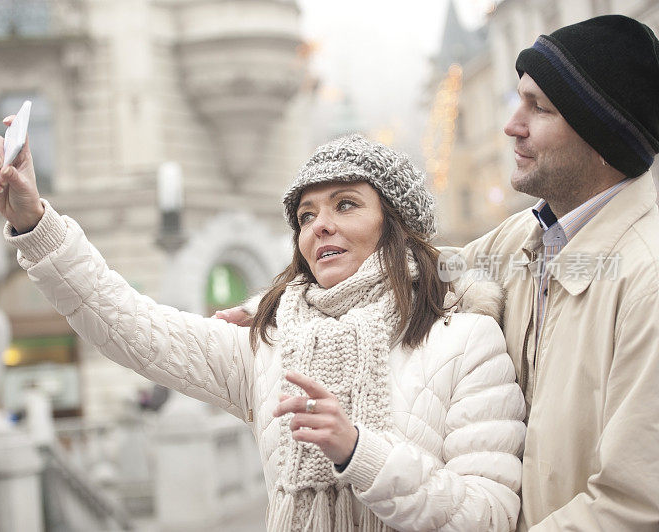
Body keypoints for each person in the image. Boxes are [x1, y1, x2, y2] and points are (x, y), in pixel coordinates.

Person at [219, 14, 659, 532]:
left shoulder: (645, 278)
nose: (511, 124)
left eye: (538, 108)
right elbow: (401, 272)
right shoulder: (522, 241)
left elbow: (635, 505)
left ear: (599, 131)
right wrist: (276, 306)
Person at [0, 131, 526, 530]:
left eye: (346, 204)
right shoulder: (268, 343)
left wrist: (359, 452)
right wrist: (36, 226)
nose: (321, 226)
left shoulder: (465, 338)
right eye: (306, 216)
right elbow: (127, 324)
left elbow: (492, 514)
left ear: (397, 226)